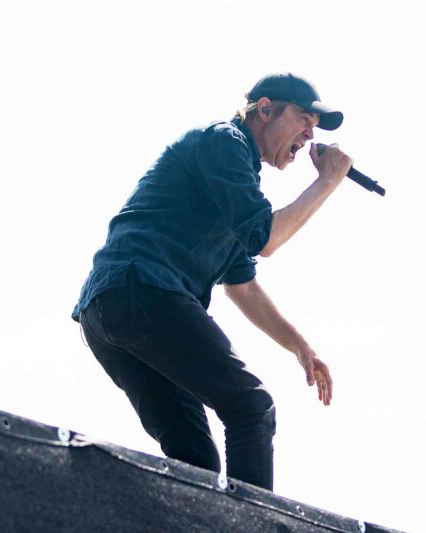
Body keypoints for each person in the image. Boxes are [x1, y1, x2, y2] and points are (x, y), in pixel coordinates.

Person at [72, 72, 353, 491]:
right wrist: (327, 182)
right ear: (264, 110)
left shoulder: (235, 180)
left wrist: (301, 348)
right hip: (141, 290)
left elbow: (242, 285)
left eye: (315, 127)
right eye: (303, 120)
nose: (310, 135)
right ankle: (253, 522)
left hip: (109, 310)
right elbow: (266, 240)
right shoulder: (226, 141)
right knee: (251, 406)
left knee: (194, 457)